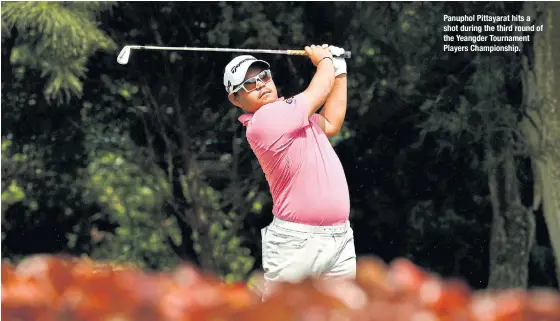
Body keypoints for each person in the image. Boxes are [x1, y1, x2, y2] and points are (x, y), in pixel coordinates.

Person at [223, 44, 354, 298]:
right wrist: (326, 60)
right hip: (297, 243)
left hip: (339, 237)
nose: (260, 84)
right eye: (249, 84)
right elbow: (318, 90)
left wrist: (340, 70)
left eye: (263, 76)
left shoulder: (293, 115)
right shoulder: (264, 121)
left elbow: (331, 122)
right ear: (235, 99)